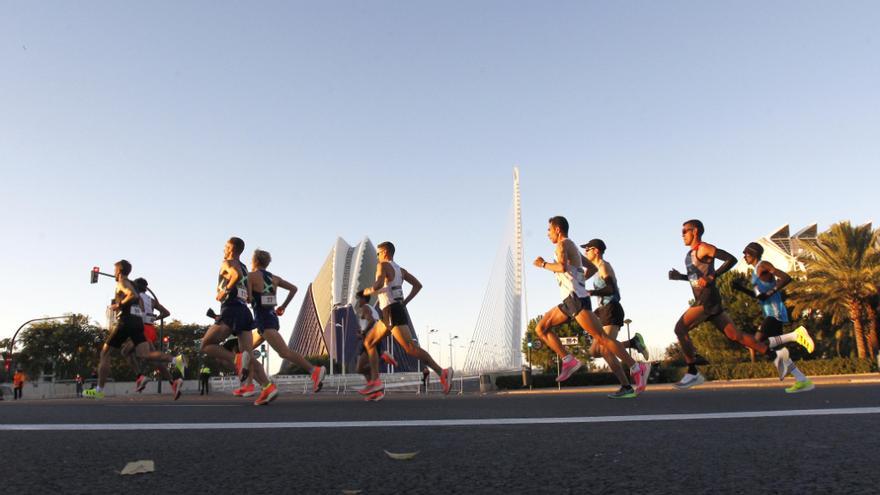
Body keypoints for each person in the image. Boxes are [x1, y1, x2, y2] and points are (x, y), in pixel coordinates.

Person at [668, 220, 814, 389]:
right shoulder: (690, 254)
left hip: (706, 300)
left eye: (685, 231)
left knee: (680, 329)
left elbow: (731, 259)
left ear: (695, 231)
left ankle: (693, 372)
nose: (682, 234)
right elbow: (696, 280)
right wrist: (680, 277)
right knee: (738, 336)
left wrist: (712, 277)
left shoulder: (703, 248)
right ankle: (797, 374)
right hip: (709, 301)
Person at [534, 217, 650, 391]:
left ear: (557, 229)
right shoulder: (571, 246)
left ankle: (636, 367)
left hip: (576, 300)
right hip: (571, 300)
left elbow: (562, 267)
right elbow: (591, 268)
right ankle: (568, 360)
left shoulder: (562, 245)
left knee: (602, 339)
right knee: (541, 328)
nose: (547, 233)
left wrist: (543, 264)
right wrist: (580, 282)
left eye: (549, 230)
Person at [361, 241, 452, 397]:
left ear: (384, 252)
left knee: (410, 348)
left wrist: (366, 291)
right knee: (369, 342)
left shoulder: (382, 266)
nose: (377, 256)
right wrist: (405, 302)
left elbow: (376, 286)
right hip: (391, 311)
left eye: (378, 253)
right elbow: (418, 285)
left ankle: (442, 372)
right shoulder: (400, 270)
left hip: (392, 311)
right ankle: (376, 382)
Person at [84, 260, 186, 400]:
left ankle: (99, 390)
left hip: (127, 322)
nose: (114, 273)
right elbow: (141, 305)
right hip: (139, 324)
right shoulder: (139, 290)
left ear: (119, 271)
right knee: (144, 354)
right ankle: (175, 361)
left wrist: (119, 305)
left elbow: (133, 296)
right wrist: (151, 318)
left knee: (105, 353)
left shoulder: (123, 283)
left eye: (115, 270)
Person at [199, 238, 278, 406]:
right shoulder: (244, 266)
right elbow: (247, 293)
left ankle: (236, 360)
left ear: (231, 248)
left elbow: (235, 275)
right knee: (248, 355)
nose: (223, 249)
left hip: (231, 308)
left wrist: (225, 291)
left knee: (206, 344)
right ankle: (267, 386)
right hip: (243, 311)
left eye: (225, 246)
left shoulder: (227, 262)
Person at [732, 242, 815, 393]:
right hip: (769, 312)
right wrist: (741, 289)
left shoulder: (763, 265)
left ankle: (795, 335)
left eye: (746, 253)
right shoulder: (754, 275)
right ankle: (802, 380)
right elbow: (760, 297)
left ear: (754, 254)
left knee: (757, 342)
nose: (744, 257)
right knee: (773, 348)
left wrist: (771, 292)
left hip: (775, 312)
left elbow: (785, 277)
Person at [243, 249, 325, 397]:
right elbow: (294, 289)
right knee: (245, 352)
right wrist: (283, 307)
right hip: (271, 317)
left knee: (283, 352)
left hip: (263, 319)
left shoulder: (250, 276)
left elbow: (248, 299)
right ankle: (259, 385)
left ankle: (314, 370)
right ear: (267, 263)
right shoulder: (275, 278)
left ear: (254, 261)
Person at [582, 238, 650, 398]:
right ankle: (633, 343)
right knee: (595, 351)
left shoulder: (604, 266)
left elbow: (611, 289)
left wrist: (592, 292)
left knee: (605, 349)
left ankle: (632, 378)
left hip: (612, 309)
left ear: (596, 251)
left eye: (588, 249)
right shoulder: (595, 269)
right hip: (605, 311)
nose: (586, 252)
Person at [127, 277, 177, 394]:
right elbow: (167, 313)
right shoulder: (151, 300)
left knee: (127, 352)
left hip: (142, 328)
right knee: (153, 360)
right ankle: (172, 382)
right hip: (150, 329)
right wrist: (155, 318)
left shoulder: (136, 297)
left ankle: (141, 376)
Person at [353, 290, 398, 401]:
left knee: (359, 368)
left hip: (371, 341)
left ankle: (383, 358)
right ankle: (375, 391)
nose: (357, 301)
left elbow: (372, 321)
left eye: (359, 299)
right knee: (361, 369)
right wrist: (361, 333)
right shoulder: (372, 309)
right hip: (374, 339)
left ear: (363, 299)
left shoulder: (365, 308)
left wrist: (363, 333)